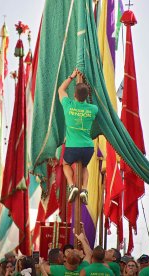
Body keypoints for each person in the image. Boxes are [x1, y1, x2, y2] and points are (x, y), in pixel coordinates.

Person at [58, 68, 99, 205]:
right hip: (88, 147)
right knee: (84, 167)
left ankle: (72, 186)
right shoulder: (93, 109)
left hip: (72, 147)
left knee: (66, 164)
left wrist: (72, 76)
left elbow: (61, 90)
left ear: (74, 95)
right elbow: (92, 102)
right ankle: (84, 190)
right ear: (86, 96)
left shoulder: (68, 105)